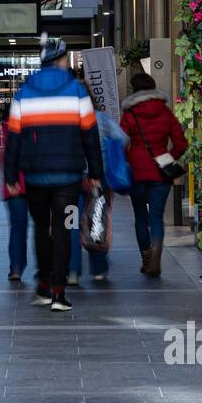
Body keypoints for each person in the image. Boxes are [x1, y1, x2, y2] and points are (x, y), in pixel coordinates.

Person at [4, 36, 104, 311]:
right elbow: (90, 135)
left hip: (35, 178)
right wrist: (95, 172)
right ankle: (59, 292)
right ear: (61, 61)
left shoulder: (24, 92)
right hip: (69, 179)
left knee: (41, 228)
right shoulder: (77, 91)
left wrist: (11, 177)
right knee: (65, 228)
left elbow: (13, 138)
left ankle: (44, 286)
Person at [120, 70, 189, 278]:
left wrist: (126, 161)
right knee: (156, 216)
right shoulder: (166, 112)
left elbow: (121, 143)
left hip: (137, 171)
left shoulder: (130, 114)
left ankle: (147, 258)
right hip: (161, 172)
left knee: (140, 216)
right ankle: (157, 257)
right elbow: (181, 143)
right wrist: (167, 157)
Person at [68, 108, 128, 284]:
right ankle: (99, 268)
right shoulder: (100, 118)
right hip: (98, 180)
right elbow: (122, 138)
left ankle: (72, 269)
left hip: (69, 181)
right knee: (97, 221)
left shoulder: (64, 117)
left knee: (70, 222)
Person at [0, 107, 33, 282]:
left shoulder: (7, 126)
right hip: (34, 181)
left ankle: (16, 268)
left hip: (14, 184)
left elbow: (5, 156)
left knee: (18, 227)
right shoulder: (35, 124)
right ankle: (42, 268)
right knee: (43, 227)